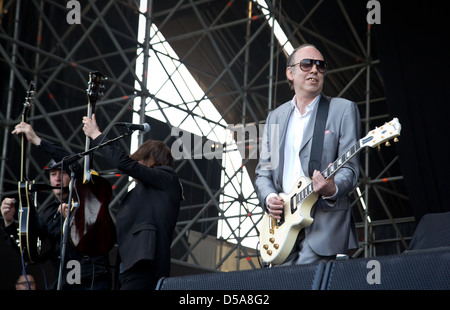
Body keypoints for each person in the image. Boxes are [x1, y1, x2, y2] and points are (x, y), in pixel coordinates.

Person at [255, 44, 361, 265]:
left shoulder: (343, 110)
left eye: (320, 65)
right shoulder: (276, 116)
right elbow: (264, 172)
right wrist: (269, 198)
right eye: (306, 64)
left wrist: (333, 188)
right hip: (282, 224)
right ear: (290, 72)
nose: (314, 70)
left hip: (325, 226)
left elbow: (350, 168)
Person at [1, 122, 112, 290]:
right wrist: (9, 223)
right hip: (65, 281)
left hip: (91, 278)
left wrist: (38, 141)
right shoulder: (48, 212)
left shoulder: (87, 195)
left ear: (72, 175)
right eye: (53, 174)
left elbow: (71, 162)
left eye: (63, 173)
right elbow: (31, 253)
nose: (57, 178)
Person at [82, 114, 182, 290]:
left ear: (150, 160)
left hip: (146, 264)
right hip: (128, 266)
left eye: (138, 160)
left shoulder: (167, 177)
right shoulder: (140, 193)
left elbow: (127, 165)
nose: (135, 165)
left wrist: (97, 136)